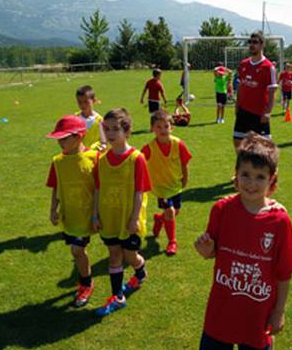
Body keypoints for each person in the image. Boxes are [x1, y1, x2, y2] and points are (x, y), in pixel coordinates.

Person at [194, 132, 292, 350]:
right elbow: (213, 252)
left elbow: (284, 273)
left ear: (271, 180)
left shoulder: (279, 220)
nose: (251, 183)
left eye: (259, 177)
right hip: (222, 308)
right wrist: (206, 249)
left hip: (257, 313)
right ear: (236, 174)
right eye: (245, 174)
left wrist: (279, 312)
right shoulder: (221, 209)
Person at [93, 108, 151, 316]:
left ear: (127, 132)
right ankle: (117, 296)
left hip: (129, 219)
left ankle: (140, 271)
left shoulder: (137, 158)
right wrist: (95, 214)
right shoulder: (101, 160)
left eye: (115, 129)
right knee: (114, 254)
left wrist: (135, 218)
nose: (110, 134)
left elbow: (139, 191)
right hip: (109, 218)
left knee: (130, 256)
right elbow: (98, 189)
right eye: (106, 129)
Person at [46, 115, 99, 307]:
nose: (60, 142)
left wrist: (96, 214)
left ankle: (90, 284)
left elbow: (102, 187)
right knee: (77, 251)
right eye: (58, 139)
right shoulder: (58, 162)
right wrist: (53, 209)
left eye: (64, 138)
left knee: (81, 250)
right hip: (72, 215)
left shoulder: (94, 158)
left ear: (79, 136)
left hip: (93, 214)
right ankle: (86, 282)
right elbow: (55, 186)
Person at [142, 109, 192, 255]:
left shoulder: (179, 144)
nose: (163, 130)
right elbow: (138, 163)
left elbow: (184, 163)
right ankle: (172, 242)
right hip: (161, 187)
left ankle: (159, 219)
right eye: (158, 126)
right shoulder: (148, 148)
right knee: (170, 211)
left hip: (175, 185)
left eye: (166, 126)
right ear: (152, 129)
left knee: (174, 211)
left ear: (172, 127)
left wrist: (185, 178)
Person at [233, 31, 278, 152]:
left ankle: (270, 171)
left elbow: (272, 92)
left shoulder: (268, 67)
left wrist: (268, 112)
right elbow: (241, 87)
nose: (252, 45)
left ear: (262, 45)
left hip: (259, 114)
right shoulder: (243, 64)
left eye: (255, 42)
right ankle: (243, 169)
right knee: (238, 142)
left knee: (265, 149)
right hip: (243, 111)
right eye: (250, 42)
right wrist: (237, 105)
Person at [74, 85, 106, 150]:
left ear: (94, 101)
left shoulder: (100, 120)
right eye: (80, 102)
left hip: (94, 156)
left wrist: (94, 148)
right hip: (79, 156)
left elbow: (103, 142)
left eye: (86, 102)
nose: (83, 105)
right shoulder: (75, 118)